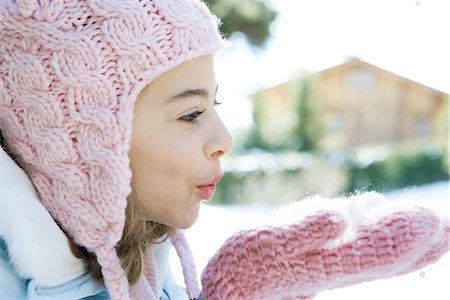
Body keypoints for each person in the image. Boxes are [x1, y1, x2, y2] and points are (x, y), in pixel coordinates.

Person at [0, 1, 448, 300]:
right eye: (191, 114)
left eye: (215, 103)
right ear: (85, 145)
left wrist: (235, 288)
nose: (226, 140)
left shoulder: (149, 262)